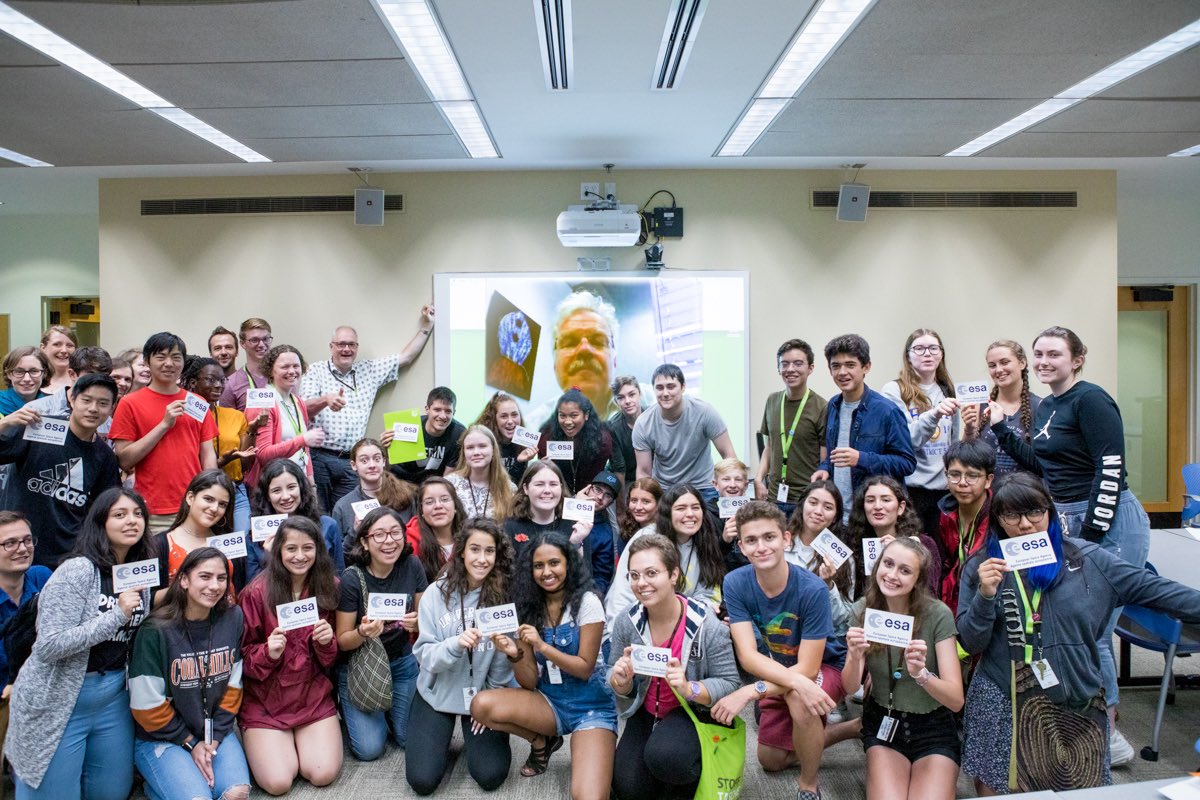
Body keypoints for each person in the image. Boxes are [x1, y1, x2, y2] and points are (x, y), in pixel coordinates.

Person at [957, 473, 1200, 794]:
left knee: (1074, 786)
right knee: (999, 789)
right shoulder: (982, 566)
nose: (1025, 524)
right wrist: (985, 597)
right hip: (1003, 699)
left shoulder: (1087, 559)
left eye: (1034, 512)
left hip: (1074, 698)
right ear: (999, 520)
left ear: (1050, 512)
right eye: (1011, 515)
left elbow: (1159, 592)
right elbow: (970, 641)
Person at [986, 326, 1152, 764]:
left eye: (1053, 354)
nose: (1043, 361)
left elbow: (1110, 468)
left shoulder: (1091, 399)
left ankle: (1109, 735)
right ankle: (1085, 721)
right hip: (1067, 516)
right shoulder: (1049, 406)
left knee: (1092, 630)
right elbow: (1042, 466)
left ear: (1077, 358)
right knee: (1069, 625)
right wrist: (1002, 432)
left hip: (1108, 520)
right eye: (1038, 353)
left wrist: (1091, 540)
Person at [5, 489, 155, 800]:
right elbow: (49, 644)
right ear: (100, 523)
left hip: (113, 697)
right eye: (120, 514)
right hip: (59, 697)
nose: (132, 521)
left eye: (138, 514)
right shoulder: (77, 570)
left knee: (111, 790)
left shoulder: (138, 573)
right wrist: (116, 616)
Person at [712, 501, 846, 800]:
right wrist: (790, 682)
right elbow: (747, 655)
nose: (761, 547)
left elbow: (810, 669)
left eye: (769, 537)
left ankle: (808, 785)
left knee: (800, 698)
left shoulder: (812, 589)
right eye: (751, 540)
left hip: (826, 666)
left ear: (785, 539)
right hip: (783, 668)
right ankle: (850, 729)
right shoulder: (735, 582)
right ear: (742, 547)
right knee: (770, 761)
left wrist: (749, 691)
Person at [470, 532, 617, 798]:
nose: (546, 572)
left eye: (554, 563)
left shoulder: (587, 602)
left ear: (568, 564)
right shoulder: (527, 607)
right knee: (481, 706)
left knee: (588, 796)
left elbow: (585, 668)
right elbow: (529, 683)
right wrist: (515, 653)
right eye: (539, 566)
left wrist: (542, 646)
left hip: (592, 707)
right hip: (550, 702)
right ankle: (542, 742)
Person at [607, 533, 742, 800]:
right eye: (634, 575)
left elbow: (730, 682)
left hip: (692, 711)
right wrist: (621, 682)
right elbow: (612, 670)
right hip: (646, 712)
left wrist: (690, 687)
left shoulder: (707, 626)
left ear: (673, 575)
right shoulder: (627, 620)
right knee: (627, 789)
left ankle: (690, 767)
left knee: (669, 760)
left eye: (651, 573)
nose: (641, 583)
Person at [842, 536, 964, 800]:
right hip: (884, 723)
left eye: (905, 570)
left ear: (918, 581)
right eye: (888, 564)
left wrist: (922, 675)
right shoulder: (862, 610)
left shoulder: (937, 614)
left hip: (933, 728)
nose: (892, 575)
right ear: (877, 566)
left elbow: (956, 701)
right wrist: (853, 656)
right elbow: (850, 688)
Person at [129, 547, 249, 800]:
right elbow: (146, 705)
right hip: (162, 737)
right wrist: (191, 743)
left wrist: (213, 739)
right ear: (183, 580)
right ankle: (158, 783)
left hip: (212, 731)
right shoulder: (155, 629)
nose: (214, 586)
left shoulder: (232, 617)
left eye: (221, 578)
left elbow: (234, 687)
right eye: (204, 577)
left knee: (235, 794)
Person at [407, 518, 516, 795]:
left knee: (490, 775)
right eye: (475, 549)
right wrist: (455, 645)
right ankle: (439, 738)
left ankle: (473, 733)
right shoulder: (435, 593)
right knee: (422, 781)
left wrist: (488, 701)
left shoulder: (503, 596)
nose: (482, 559)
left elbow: (504, 659)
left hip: (480, 693)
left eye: (489, 551)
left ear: (497, 554)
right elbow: (425, 656)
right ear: (462, 552)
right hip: (437, 690)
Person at [238, 517, 341, 795]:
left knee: (323, 773)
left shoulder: (329, 585)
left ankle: (301, 742)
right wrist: (267, 653)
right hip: (266, 699)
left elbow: (333, 659)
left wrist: (326, 643)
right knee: (278, 782)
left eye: (308, 548)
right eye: (291, 548)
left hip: (312, 695)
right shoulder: (255, 593)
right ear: (278, 550)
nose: (299, 556)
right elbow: (241, 660)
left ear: (319, 550)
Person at [301, 308, 435, 510]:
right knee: (318, 513)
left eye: (351, 344)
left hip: (351, 462)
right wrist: (326, 400)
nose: (346, 349)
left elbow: (405, 358)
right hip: (319, 458)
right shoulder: (315, 371)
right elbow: (303, 409)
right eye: (341, 344)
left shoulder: (369, 370)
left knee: (349, 513)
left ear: (357, 347)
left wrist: (427, 327)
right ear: (331, 346)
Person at [0, 373, 122, 567]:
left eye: (102, 403)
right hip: (17, 546)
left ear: (112, 407)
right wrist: (5, 424)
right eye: (87, 400)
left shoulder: (105, 456)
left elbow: (103, 509)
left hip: (67, 556)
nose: (93, 409)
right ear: (72, 399)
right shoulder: (40, 427)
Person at [335, 506, 427, 761]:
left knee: (408, 738)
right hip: (360, 666)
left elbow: (424, 618)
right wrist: (363, 632)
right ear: (364, 541)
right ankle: (360, 708)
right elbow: (342, 641)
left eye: (395, 533)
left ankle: (386, 709)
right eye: (379, 535)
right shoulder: (352, 578)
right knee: (369, 750)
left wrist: (417, 623)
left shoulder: (412, 564)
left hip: (401, 662)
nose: (389, 541)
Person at [109, 332, 218, 532]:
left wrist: (209, 496)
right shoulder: (129, 403)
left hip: (193, 506)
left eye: (176, 358)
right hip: (152, 510)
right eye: (161, 357)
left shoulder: (197, 403)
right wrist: (164, 425)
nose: (169, 363)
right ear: (147, 361)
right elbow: (124, 460)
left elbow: (208, 455)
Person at [812, 334, 917, 523]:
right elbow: (834, 455)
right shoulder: (833, 406)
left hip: (872, 518)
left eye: (850, 365)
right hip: (838, 516)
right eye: (836, 366)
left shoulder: (887, 410)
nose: (842, 372)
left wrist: (861, 459)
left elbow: (906, 463)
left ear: (866, 367)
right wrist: (825, 467)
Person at [785, 479, 856, 724]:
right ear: (802, 504)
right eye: (813, 502)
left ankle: (835, 691)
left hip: (825, 642)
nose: (818, 511)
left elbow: (844, 619)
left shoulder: (842, 556)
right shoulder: (780, 543)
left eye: (827, 507)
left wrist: (827, 585)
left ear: (836, 515)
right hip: (782, 637)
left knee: (809, 709)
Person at [606, 485, 725, 628]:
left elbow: (707, 593)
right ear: (667, 513)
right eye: (681, 508)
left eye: (695, 507)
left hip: (682, 628)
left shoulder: (704, 540)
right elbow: (623, 593)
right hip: (633, 627)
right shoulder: (648, 539)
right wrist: (620, 634)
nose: (690, 514)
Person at [881, 329, 961, 541]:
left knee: (941, 555)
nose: (927, 353)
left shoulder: (947, 390)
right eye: (919, 348)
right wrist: (934, 413)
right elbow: (909, 440)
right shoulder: (893, 390)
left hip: (944, 491)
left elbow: (953, 444)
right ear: (908, 355)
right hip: (911, 490)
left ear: (941, 354)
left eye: (933, 348)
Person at [182, 357, 261, 536]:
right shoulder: (184, 418)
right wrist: (223, 460)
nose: (218, 385)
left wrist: (253, 429)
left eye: (222, 380)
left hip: (235, 489)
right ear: (193, 382)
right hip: (201, 491)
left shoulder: (235, 416)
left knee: (241, 543)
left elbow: (247, 464)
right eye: (211, 379)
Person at [633, 363, 736, 501]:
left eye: (671, 386)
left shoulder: (704, 412)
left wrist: (732, 495)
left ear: (683, 387)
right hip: (665, 490)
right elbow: (644, 472)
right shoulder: (643, 423)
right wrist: (646, 501)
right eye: (659, 388)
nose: (665, 393)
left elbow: (728, 455)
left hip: (703, 488)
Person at [756, 339, 828, 516]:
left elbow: (824, 459)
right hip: (774, 498)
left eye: (798, 363)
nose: (790, 369)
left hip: (805, 499)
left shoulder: (822, 406)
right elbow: (770, 447)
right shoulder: (772, 401)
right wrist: (758, 478)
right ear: (779, 369)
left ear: (810, 368)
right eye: (785, 364)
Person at [0, 512, 52, 757]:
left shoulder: (42, 577)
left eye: (27, 540)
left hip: (43, 697)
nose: (22, 549)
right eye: (10, 543)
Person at [247, 459, 343, 581]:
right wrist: (272, 558)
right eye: (276, 490)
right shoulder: (255, 536)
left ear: (301, 489)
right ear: (267, 496)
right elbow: (251, 591)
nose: (286, 496)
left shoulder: (328, 526)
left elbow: (338, 577)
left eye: (291, 487)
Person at [847, 476, 942, 598]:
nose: (877, 506)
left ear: (901, 507)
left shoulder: (924, 544)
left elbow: (929, 597)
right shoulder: (855, 544)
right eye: (870, 500)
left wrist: (903, 552)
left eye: (886, 500)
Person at [244, 344, 323, 488]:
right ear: (270, 371)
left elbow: (304, 450)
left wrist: (311, 485)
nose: (292, 371)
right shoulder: (263, 401)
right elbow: (263, 455)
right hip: (272, 485)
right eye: (285, 367)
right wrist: (302, 440)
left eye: (296, 366)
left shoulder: (297, 401)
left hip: (299, 483)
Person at [155, 469, 241, 601]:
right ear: (190, 498)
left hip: (225, 619)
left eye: (222, 504)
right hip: (178, 619)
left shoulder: (230, 542)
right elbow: (148, 601)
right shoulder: (161, 544)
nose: (214, 508)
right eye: (208, 499)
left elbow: (238, 589)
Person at [960, 339, 1042, 477]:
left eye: (1005, 362)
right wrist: (969, 429)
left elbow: (1043, 462)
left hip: (1027, 494)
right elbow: (964, 457)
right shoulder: (980, 406)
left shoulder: (1041, 407)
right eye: (992, 365)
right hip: (988, 495)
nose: (998, 370)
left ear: (1022, 363)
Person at [937, 439, 995, 610]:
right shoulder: (942, 515)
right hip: (951, 604)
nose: (962, 482)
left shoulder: (1001, 517)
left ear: (988, 480)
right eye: (955, 475)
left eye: (972, 475)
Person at [331, 437, 417, 549]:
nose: (372, 465)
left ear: (383, 461)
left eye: (377, 459)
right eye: (364, 460)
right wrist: (355, 532)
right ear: (353, 465)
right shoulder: (343, 506)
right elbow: (339, 556)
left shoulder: (405, 496)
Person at [538, 389, 625, 495]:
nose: (568, 422)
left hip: (589, 496)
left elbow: (618, 467)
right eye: (562, 416)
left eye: (574, 415)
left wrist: (620, 509)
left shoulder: (602, 439)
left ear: (586, 415)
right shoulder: (546, 438)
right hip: (557, 495)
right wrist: (543, 467)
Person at [504, 460, 591, 563]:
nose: (547, 490)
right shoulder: (509, 528)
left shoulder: (576, 528)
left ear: (561, 488)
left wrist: (575, 545)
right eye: (539, 484)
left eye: (553, 484)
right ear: (526, 488)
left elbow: (584, 576)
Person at [19, 346, 114, 438]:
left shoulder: (106, 420)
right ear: (72, 374)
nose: (98, 381)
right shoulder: (37, 410)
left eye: (104, 377)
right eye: (91, 376)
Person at [387, 386, 466, 485]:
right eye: (437, 410)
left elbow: (448, 478)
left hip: (434, 486)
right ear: (427, 409)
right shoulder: (410, 425)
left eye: (448, 411)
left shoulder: (458, 433)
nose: (442, 416)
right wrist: (386, 447)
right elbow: (395, 469)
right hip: (404, 484)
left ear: (453, 413)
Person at [405, 476, 467, 583]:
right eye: (429, 502)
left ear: (455, 506)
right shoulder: (408, 542)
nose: (438, 506)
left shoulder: (472, 536)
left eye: (444, 499)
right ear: (421, 510)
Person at [447, 425, 515, 520]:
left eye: (482, 446)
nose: (476, 452)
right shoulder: (450, 484)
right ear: (464, 453)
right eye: (470, 447)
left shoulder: (509, 488)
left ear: (493, 450)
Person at [473, 391, 536, 485]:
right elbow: (496, 485)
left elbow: (518, 485)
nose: (510, 421)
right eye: (504, 416)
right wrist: (518, 463)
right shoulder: (484, 444)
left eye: (514, 415)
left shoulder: (523, 443)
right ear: (494, 419)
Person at [577, 470, 620, 596]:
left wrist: (594, 597)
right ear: (588, 489)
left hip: (581, 589)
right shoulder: (562, 506)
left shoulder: (605, 532)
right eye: (597, 489)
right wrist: (575, 505)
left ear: (611, 503)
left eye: (608, 495)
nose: (600, 497)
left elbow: (602, 574)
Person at [219, 318, 274, 411]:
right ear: (242, 343)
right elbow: (227, 425)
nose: (261, 344)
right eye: (254, 340)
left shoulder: (281, 376)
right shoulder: (231, 385)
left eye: (265, 339)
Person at [710, 456, 752, 570]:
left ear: (746, 485)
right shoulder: (707, 514)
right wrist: (724, 540)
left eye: (738, 479)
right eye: (726, 479)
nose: (732, 485)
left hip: (751, 570)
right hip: (720, 572)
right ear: (716, 484)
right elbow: (708, 557)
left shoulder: (755, 512)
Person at [606, 376, 644, 486]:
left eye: (632, 395)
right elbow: (619, 468)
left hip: (651, 476)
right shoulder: (612, 427)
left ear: (639, 394)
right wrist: (621, 502)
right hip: (624, 479)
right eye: (621, 397)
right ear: (615, 401)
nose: (627, 401)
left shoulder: (653, 417)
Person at [617, 477, 661, 554]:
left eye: (646, 502)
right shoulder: (627, 531)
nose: (638, 507)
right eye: (634, 500)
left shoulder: (666, 532)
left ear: (658, 504)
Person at [0, 347, 50, 415]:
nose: (27, 379)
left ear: (44, 373)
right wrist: (4, 423)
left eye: (34, 371)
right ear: (8, 374)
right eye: (19, 371)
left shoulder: (53, 405)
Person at [39, 324, 77, 392]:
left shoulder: (81, 381)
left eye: (69, 345)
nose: (64, 350)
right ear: (43, 348)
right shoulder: (33, 380)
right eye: (57, 344)